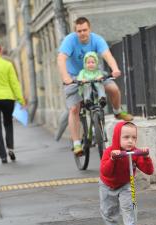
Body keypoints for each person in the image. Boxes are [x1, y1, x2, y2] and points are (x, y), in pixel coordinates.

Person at [57, 17, 133, 156]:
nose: (82, 33)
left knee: (113, 89)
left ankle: (117, 112)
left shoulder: (97, 39)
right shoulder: (70, 40)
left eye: (85, 30)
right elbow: (61, 58)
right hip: (75, 77)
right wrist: (66, 78)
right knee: (74, 108)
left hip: (95, 74)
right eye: (79, 31)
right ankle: (77, 144)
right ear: (75, 31)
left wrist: (115, 68)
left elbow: (107, 55)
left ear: (89, 29)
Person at [99, 121, 154, 225]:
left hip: (125, 184)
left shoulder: (135, 153)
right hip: (107, 184)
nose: (130, 141)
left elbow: (149, 171)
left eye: (133, 138)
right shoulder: (110, 152)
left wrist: (145, 157)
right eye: (126, 137)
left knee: (128, 206)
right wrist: (113, 159)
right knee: (109, 210)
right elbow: (105, 172)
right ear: (117, 138)